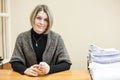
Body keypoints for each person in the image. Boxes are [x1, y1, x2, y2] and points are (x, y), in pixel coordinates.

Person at [10, 4, 72, 77]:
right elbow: (15, 62)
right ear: (33, 18)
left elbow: (67, 64)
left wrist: (50, 69)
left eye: (46, 20)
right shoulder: (21, 38)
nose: (41, 23)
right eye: (39, 18)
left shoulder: (56, 38)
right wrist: (25, 70)